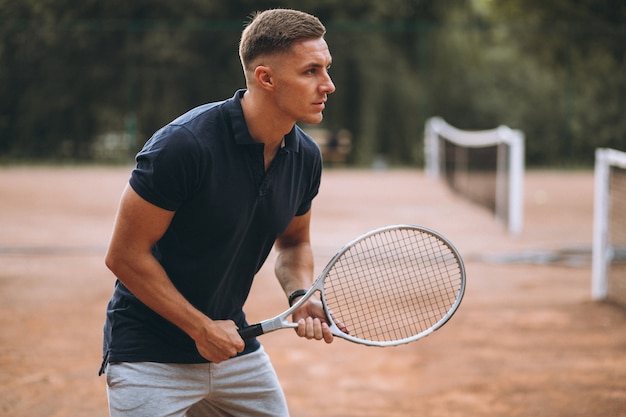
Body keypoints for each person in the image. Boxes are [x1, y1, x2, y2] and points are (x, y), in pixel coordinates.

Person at [100, 8, 337, 417]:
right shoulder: (184, 146)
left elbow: (294, 242)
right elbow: (124, 256)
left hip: (233, 348)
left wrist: (300, 293)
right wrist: (200, 328)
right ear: (266, 78)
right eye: (310, 71)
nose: (328, 85)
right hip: (149, 356)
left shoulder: (305, 157)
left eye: (327, 69)